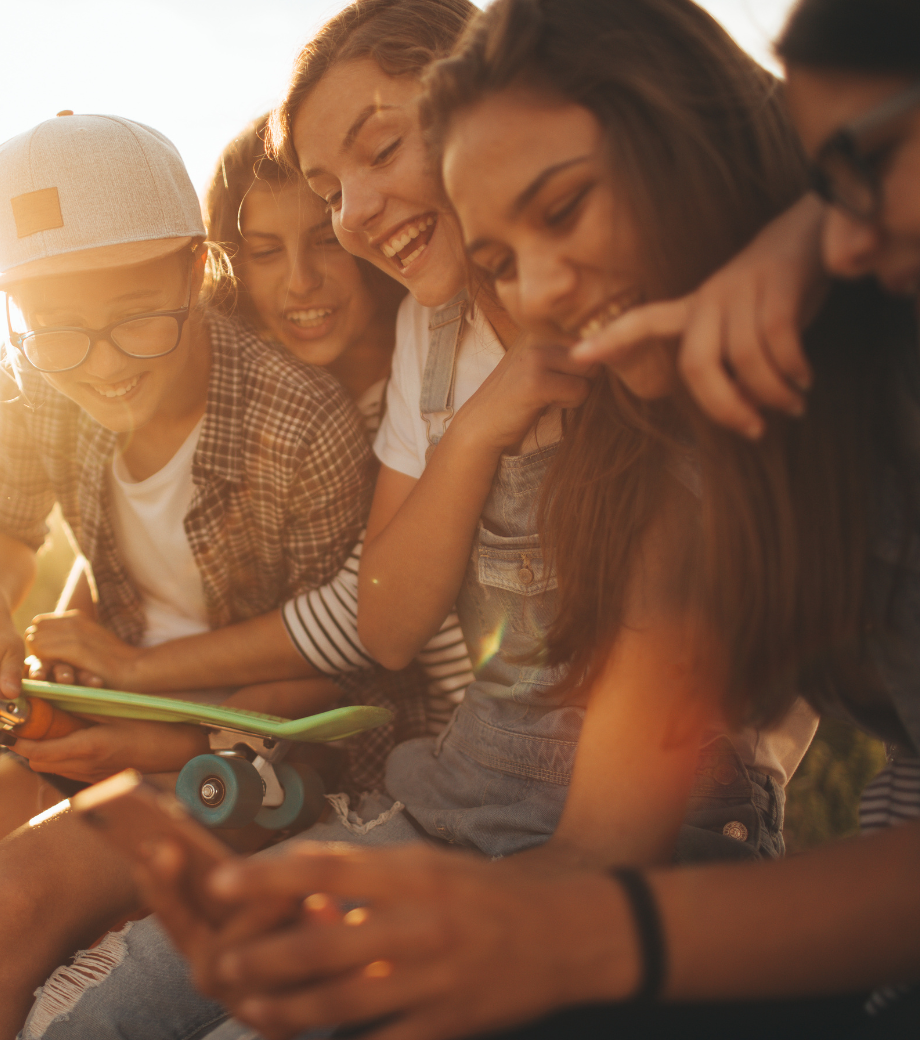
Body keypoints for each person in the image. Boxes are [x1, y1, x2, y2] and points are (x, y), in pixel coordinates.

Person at [14, 0, 837, 1037]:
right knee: (92, 1009)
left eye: (379, 152)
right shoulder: (434, 338)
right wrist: (474, 433)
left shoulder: (653, 404)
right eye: (321, 192)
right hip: (446, 796)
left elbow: (575, 816)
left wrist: (156, 715)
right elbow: (388, 615)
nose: (349, 224)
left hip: (507, 807)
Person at [0, 111, 373, 1037]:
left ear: (197, 270)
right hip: (97, 722)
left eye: (136, 320)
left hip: (251, 770)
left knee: (12, 906)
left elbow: (338, 675)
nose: (103, 368)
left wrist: (154, 751)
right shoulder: (44, 387)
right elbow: (8, 534)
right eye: (58, 331)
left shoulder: (303, 428)